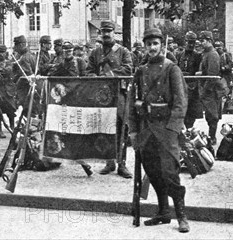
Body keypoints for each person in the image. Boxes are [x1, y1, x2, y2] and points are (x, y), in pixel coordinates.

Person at [129, 28, 189, 233]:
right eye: (149, 44)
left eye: (155, 43)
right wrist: (134, 131)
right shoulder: (140, 71)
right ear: (144, 47)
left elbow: (181, 103)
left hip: (166, 131)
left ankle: (181, 215)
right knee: (153, 172)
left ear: (161, 45)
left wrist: (173, 130)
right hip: (146, 130)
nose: (152, 47)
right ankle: (163, 211)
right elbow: (131, 104)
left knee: (170, 173)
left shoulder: (172, 69)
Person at [86, 21, 133, 178]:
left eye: (109, 31)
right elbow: (88, 72)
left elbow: (128, 69)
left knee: (121, 129)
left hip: (118, 94)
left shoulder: (123, 51)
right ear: (100, 33)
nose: (106, 34)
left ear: (114, 33)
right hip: (101, 96)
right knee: (104, 129)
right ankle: (109, 162)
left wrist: (108, 76)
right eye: (103, 31)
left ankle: (122, 164)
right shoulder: (95, 53)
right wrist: (96, 79)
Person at [47, 41, 92, 176]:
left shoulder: (80, 63)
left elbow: (86, 79)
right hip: (66, 102)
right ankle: (80, 161)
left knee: (79, 131)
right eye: (65, 50)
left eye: (70, 50)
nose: (67, 53)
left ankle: (83, 160)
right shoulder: (61, 64)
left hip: (79, 100)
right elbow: (52, 76)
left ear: (73, 51)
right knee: (68, 131)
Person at [197, 31, 228, 144]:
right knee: (210, 116)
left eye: (203, 41)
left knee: (212, 116)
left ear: (209, 41)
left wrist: (205, 90)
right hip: (208, 89)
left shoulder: (212, 54)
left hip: (212, 90)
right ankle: (211, 137)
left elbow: (212, 75)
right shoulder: (206, 54)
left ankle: (212, 138)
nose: (201, 43)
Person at [176, 31, 203, 129]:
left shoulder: (197, 56)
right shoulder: (179, 55)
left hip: (192, 87)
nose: (191, 45)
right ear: (185, 42)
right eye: (189, 42)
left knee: (191, 112)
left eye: (193, 42)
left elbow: (199, 71)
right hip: (181, 85)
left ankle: (189, 129)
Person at [0, 44, 17, 136]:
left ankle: (12, 126)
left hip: (8, 89)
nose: (0, 54)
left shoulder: (9, 62)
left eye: (2, 52)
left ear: (5, 53)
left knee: (11, 109)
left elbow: (7, 71)